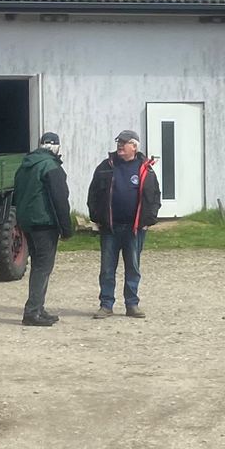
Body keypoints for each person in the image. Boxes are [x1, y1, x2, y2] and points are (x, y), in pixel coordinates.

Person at [88, 129, 163, 318]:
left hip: (134, 229)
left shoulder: (145, 169)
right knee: (107, 269)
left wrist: (148, 220)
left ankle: (132, 304)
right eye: (118, 142)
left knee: (133, 268)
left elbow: (154, 197)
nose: (120, 145)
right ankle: (106, 305)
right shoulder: (106, 166)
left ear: (134, 146)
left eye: (124, 142)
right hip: (110, 228)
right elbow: (93, 194)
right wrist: (97, 218)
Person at [11, 131, 75, 327]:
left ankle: (38, 308)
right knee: (43, 267)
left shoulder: (25, 166)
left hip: (27, 222)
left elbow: (16, 194)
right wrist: (66, 228)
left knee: (38, 265)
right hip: (45, 223)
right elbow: (60, 199)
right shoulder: (51, 166)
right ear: (56, 147)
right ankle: (32, 312)